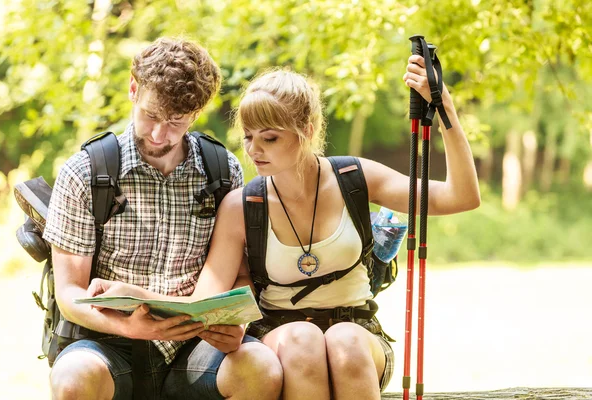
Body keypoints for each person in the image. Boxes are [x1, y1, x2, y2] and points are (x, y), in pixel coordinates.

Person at [90, 56, 480, 399]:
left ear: (307, 130)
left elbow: (460, 197)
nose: (254, 150)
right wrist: (134, 296)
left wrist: (443, 108)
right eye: (248, 138)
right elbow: (203, 304)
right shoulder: (242, 206)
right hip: (282, 337)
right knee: (302, 339)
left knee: (344, 342)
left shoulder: (355, 178)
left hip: (359, 336)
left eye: (270, 138)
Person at [43, 37, 283, 400]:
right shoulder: (86, 173)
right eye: (151, 115)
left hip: (195, 348)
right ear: (133, 89)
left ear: (196, 113)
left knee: (260, 367)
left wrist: (236, 322)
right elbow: (69, 294)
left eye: (176, 122)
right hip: (107, 346)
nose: (159, 134)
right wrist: (132, 328)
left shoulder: (221, 173)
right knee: (74, 378)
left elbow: (240, 276)